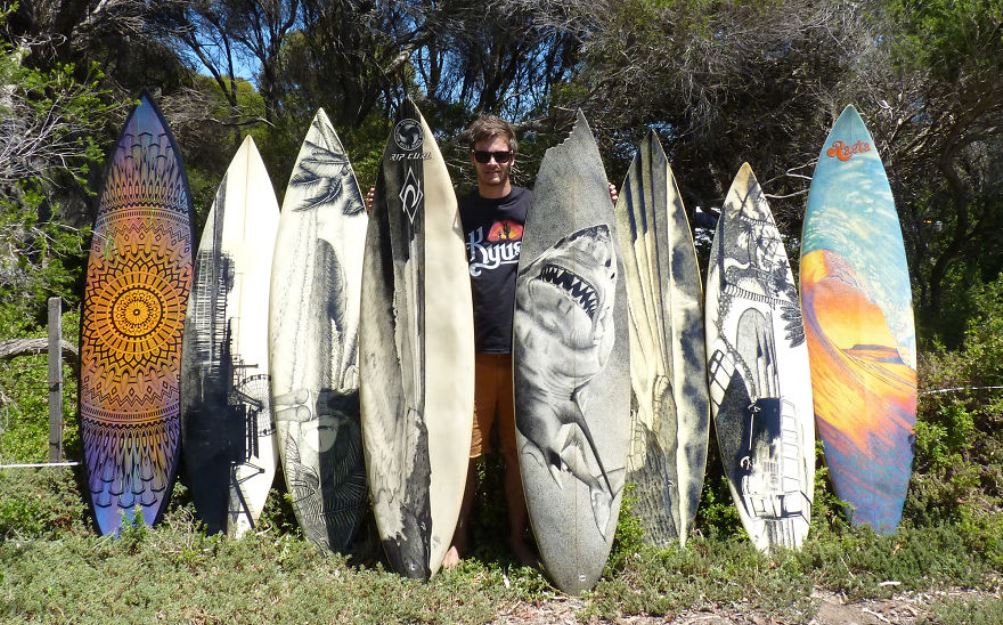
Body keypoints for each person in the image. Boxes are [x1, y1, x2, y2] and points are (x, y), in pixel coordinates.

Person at [367, 114, 617, 568]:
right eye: (483, 155)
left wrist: (603, 204)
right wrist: (380, 214)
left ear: (513, 158)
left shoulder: (535, 209)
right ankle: (456, 536)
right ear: (473, 159)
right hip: (472, 355)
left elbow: (575, 225)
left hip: (526, 356)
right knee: (462, 454)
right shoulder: (458, 214)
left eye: (500, 155)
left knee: (523, 455)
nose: (492, 163)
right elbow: (417, 248)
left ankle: (519, 539)